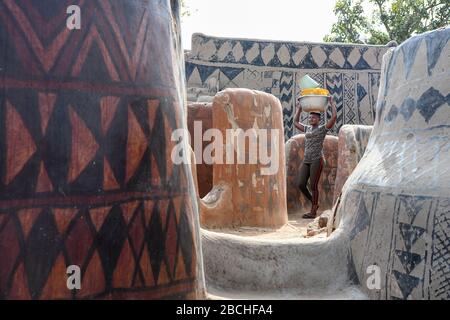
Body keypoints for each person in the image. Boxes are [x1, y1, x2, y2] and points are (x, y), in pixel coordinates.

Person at [294, 95, 337, 219]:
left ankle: (313, 211)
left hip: (317, 160)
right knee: (301, 184)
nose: (311, 119)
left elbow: (334, 118)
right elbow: (296, 123)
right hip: (306, 160)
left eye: (314, 117)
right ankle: (315, 202)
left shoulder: (322, 129)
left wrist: (332, 103)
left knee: (313, 185)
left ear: (318, 119)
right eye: (310, 117)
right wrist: (299, 109)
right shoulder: (307, 128)